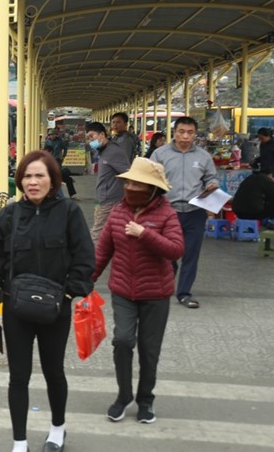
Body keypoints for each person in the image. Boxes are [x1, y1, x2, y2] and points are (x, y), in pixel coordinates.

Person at [0, 150, 95, 452]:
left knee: (54, 371)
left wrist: (69, 293)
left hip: (56, 308)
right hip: (16, 308)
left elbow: (84, 259)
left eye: (39, 175)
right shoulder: (9, 214)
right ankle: (20, 441)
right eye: (27, 176)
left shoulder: (69, 212)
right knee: (19, 376)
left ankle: (58, 428)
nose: (32, 182)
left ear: (53, 179)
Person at [94, 157, 184, 425]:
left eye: (138, 184)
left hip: (156, 294)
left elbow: (176, 249)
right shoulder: (118, 213)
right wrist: (86, 282)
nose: (131, 187)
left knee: (149, 349)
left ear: (153, 189)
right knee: (122, 340)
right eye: (129, 182)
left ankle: (146, 400)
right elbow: (103, 251)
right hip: (122, 291)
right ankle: (123, 396)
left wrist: (145, 233)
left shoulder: (166, 214)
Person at [149, 116, 219, 309]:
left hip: (194, 211)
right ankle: (164, 285)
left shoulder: (203, 156)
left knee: (191, 253)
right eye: (181, 132)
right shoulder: (159, 154)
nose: (185, 136)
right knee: (166, 252)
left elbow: (211, 177)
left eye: (190, 133)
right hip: (167, 211)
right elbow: (150, 180)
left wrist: (213, 185)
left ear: (195, 134)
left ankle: (184, 293)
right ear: (175, 132)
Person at [85, 122, 131, 242]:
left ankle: (90, 259)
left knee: (96, 235)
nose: (90, 141)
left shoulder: (114, 151)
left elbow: (127, 174)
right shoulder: (104, 151)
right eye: (88, 138)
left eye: (92, 136)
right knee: (109, 234)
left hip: (110, 200)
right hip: (103, 199)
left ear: (102, 134)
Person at [45, 127, 77, 200]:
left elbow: (65, 148)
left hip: (57, 160)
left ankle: (61, 193)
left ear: (55, 135)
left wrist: (64, 155)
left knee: (57, 175)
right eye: (50, 135)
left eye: (53, 135)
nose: (52, 136)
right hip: (49, 160)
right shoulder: (47, 141)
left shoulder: (59, 141)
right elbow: (45, 150)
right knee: (60, 177)